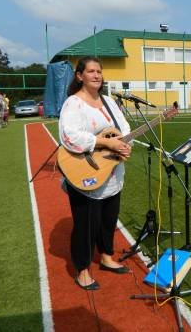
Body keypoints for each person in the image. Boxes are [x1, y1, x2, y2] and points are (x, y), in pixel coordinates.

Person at [59, 56, 132, 290]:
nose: (96, 75)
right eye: (91, 71)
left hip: (111, 171)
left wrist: (123, 144)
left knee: (108, 220)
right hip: (85, 172)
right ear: (80, 76)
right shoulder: (73, 103)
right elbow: (70, 137)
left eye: (99, 71)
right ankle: (82, 270)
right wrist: (104, 143)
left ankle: (106, 256)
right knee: (86, 226)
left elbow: (125, 130)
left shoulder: (109, 102)